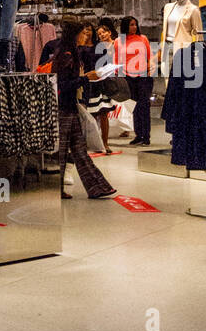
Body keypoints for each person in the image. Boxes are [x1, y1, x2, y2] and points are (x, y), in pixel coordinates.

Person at [50, 19, 117, 201]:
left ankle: (97, 186)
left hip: (69, 107)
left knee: (77, 150)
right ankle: (58, 188)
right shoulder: (67, 55)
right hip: (64, 108)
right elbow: (62, 84)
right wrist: (86, 78)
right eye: (82, 33)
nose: (85, 36)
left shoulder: (69, 53)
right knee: (65, 151)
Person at [115, 15, 154, 147]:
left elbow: (150, 57)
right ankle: (138, 134)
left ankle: (146, 135)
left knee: (144, 105)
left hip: (143, 76)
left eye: (135, 24)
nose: (134, 27)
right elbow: (117, 60)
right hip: (127, 76)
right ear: (126, 26)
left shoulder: (143, 39)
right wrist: (118, 76)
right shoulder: (119, 41)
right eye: (131, 24)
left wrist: (150, 71)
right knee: (134, 107)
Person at [91, 19, 120, 154]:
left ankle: (105, 142)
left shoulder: (116, 44)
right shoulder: (96, 47)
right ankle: (96, 142)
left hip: (108, 78)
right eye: (99, 34)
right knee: (95, 113)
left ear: (109, 32)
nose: (101, 35)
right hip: (97, 80)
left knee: (104, 112)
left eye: (103, 32)